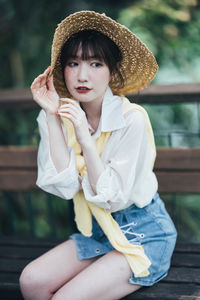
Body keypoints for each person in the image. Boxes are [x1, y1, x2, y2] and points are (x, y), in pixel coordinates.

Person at [19, 11, 177, 300]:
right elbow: (65, 188)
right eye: (73, 63)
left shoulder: (132, 120)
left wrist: (84, 138)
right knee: (31, 281)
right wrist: (53, 118)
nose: (82, 75)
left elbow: (113, 198)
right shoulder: (56, 116)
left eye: (95, 64)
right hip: (99, 230)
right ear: (61, 70)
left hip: (144, 231)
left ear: (113, 72)